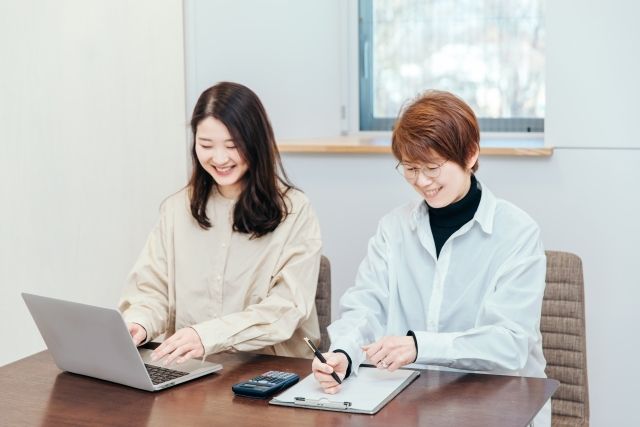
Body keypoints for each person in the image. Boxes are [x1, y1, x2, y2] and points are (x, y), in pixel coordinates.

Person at [311, 90, 550, 426]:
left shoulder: (517, 233)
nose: (421, 181)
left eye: (432, 168)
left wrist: (420, 346)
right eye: (410, 168)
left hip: (498, 403)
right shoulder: (394, 228)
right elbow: (366, 307)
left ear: (470, 154)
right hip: (411, 402)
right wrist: (344, 354)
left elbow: (509, 344)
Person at [119, 81, 322, 365]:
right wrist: (139, 322)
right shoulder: (177, 209)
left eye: (233, 145)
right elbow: (152, 291)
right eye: (206, 145)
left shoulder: (295, 211)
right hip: (191, 371)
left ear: (256, 143)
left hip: (268, 371)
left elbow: (286, 309)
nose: (219, 158)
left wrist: (207, 336)